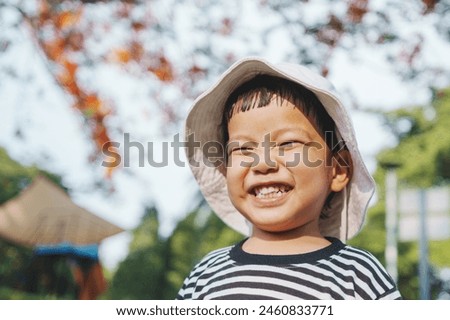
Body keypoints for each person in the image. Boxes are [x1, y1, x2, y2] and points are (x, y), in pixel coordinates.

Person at [177, 57, 402, 300]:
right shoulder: (207, 274)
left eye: (288, 144)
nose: (263, 163)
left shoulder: (357, 276)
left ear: (337, 170)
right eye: (242, 149)